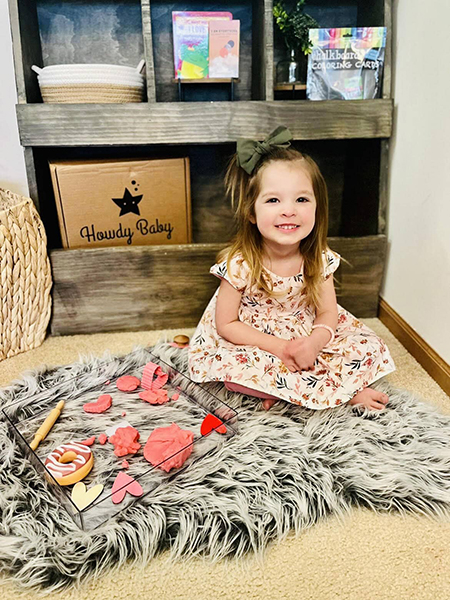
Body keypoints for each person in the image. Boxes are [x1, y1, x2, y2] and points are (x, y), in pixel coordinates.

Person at [188, 126, 396, 412]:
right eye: (273, 200)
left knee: (365, 346)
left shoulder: (318, 259)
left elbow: (327, 313)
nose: (289, 210)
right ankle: (296, 387)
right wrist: (279, 348)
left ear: (317, 208)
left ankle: (333, 390)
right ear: (251, 212)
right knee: (233, 369)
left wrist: (313, 342)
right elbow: (226, 325)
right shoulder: (241, 263)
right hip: (254, 335)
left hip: (304, 328)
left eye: (301, 199)